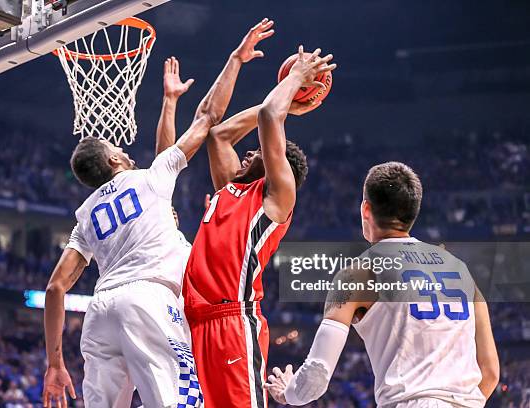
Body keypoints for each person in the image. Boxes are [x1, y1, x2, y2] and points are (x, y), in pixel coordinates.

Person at [41, 18, 277, 408]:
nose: (129, 152)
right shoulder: (147, 181)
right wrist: (236, 59)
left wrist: (54, 363)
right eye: (120, 149)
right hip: (150, 301)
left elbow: (55, 288)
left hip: (100, 313)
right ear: (115, 158)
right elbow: (206, 119)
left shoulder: (85, 217)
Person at [265, 162, 501, 407]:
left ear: (366, 209)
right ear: (413, 212)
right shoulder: (460, 268)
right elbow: (491, 372)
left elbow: (317, 374)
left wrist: (289, 392)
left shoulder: (357, 273)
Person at [182, 43, 337, 408]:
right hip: (195, 322)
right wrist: (290, 105)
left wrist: (295, 80)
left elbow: (270, 114)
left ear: (274, 166)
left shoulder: (275, 200)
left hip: (233, 321)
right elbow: (219, 135)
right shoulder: (229, 190)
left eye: (258, 152)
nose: (249, 152)